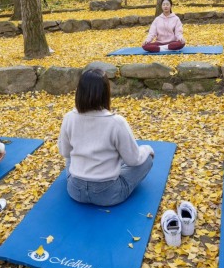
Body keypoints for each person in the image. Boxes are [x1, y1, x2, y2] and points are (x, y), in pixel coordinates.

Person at [58, 69, 154, 206]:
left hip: (75, 190)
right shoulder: (116, 122)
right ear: (105, 93)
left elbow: (65, 152)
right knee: (147, 160)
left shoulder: (69, 118)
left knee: (70, 157)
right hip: (108, 194)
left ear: (79, 92)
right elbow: (133, 160)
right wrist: (147, 149)